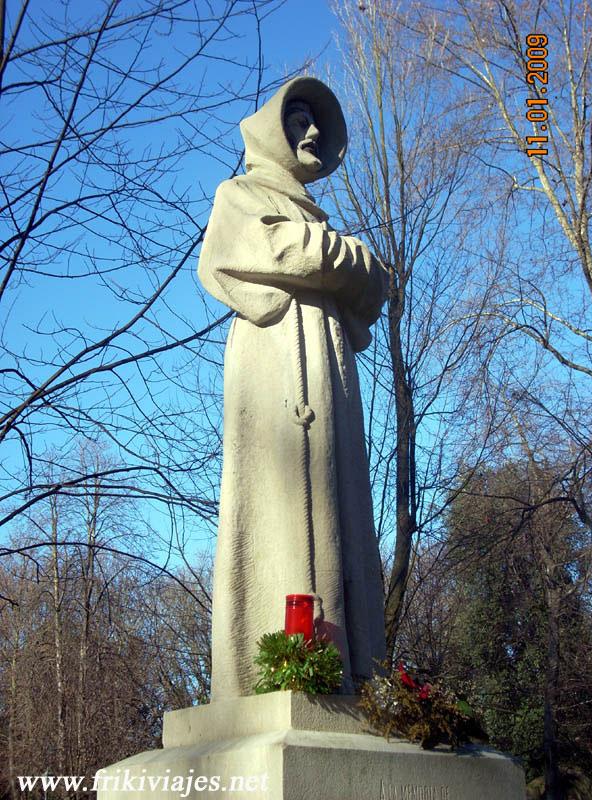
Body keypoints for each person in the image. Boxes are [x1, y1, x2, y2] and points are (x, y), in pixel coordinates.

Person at [198, 76, 387, 699]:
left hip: (329, 375)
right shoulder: (239, 196)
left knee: (339, 504)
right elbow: (277, 251)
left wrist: (344, 263)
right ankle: (273, 667)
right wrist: (347, 260)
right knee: (277, 508)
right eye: (297, 119)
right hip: (273, 369)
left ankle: (350, 664)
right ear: (269, 133)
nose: (310, 132)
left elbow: (372, 291)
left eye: (313, 123)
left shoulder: (320, 223)